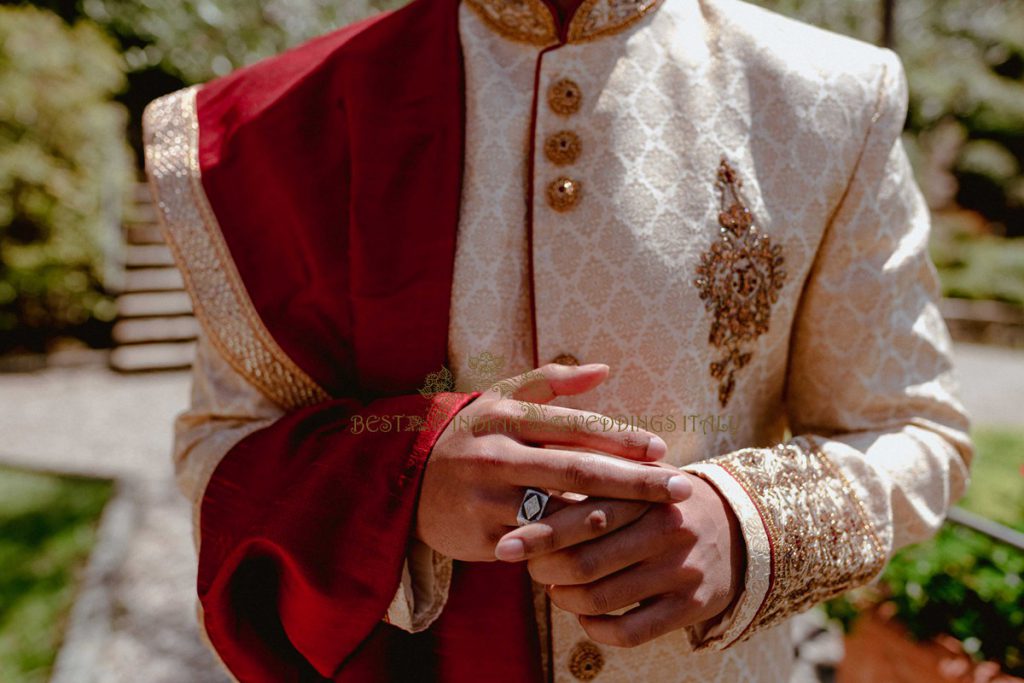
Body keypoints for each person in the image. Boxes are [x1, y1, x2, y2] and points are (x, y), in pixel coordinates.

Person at [143, 0, 974, 680]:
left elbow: (917, 432)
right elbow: (221, 444)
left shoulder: (827, 97)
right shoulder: (294, 125)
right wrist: (408, 471)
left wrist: (747, 525)